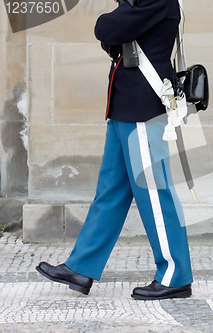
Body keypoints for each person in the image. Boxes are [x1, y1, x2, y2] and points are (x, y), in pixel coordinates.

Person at [36, 0, 193, 300]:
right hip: (124, 107)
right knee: (109, 193)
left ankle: (176, 275)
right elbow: (114, 36)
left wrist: (115, 28)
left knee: (155, 196)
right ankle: (81, 267)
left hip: (144, 109)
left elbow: (106, 27)